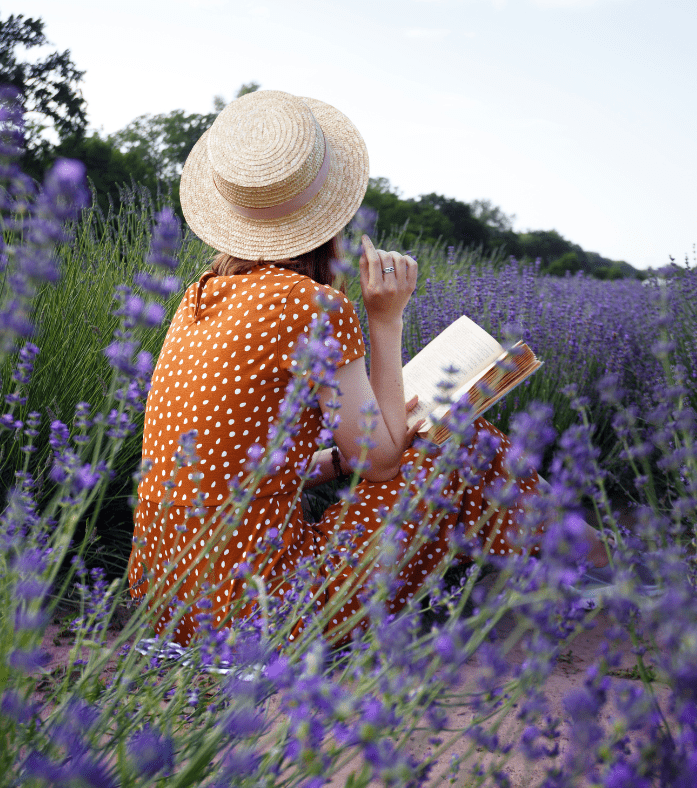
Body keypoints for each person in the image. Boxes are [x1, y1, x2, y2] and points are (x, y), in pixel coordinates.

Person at [127, 90, 610, 647]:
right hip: (260, 614)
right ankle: (596, 563)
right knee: (463, 439)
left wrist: (334, 462)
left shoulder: (199, 299)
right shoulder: (310, 306)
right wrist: (385, 318)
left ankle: (569, 564)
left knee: (432, 442)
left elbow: (230, 466)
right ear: (329, 214)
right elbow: (379, 463)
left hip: (169, 607)